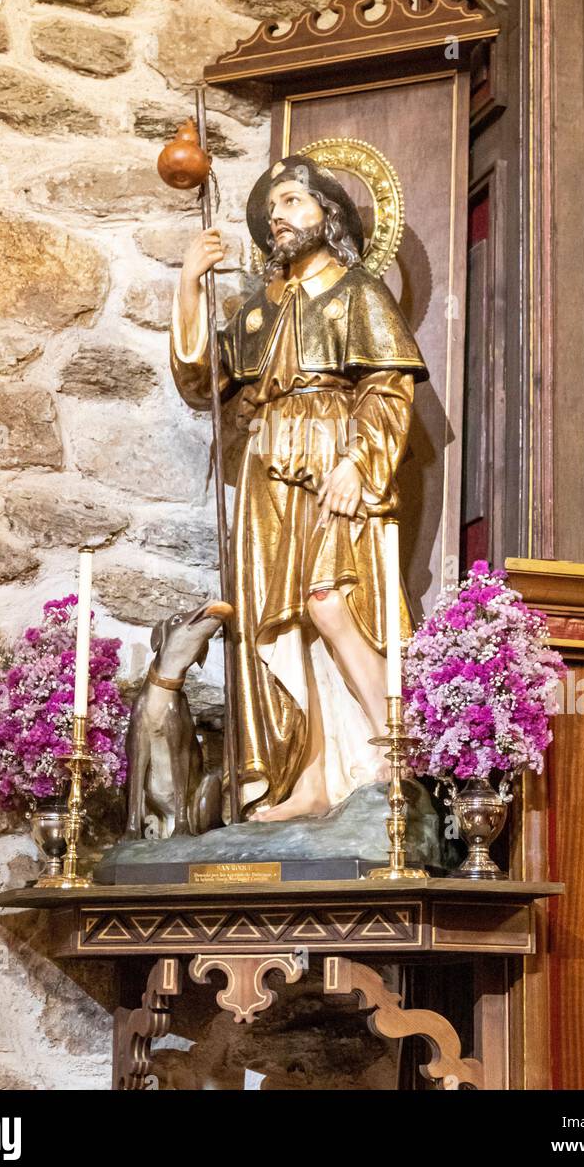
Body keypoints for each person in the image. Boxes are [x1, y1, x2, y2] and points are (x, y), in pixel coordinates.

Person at [170, 154, 428, 821]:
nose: (278, 217)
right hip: (268, 463)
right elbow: (204, 382)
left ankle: (399, 757)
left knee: (330, 602)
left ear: (328, 213)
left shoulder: (359, 292)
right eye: (271, 208)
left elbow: (388, 388)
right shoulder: (262, 308)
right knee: (278, 622)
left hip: (334, 455)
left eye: (292, 201)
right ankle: (309, 779)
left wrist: (358, 462)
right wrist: (189, 289)